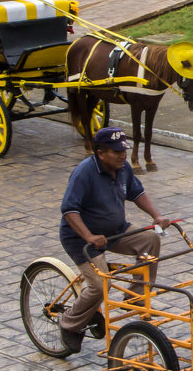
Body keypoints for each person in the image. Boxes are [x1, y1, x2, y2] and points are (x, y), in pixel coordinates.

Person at [58, 127, 170, 355]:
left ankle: (136, 295)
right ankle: (69, 324)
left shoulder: (122, 168)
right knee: (101, 286)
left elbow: (137, 193)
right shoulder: (84, 173)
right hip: (83, 240)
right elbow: (69, 210)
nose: (122, 155)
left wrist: (156, 216)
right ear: (100, 153)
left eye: (124, 150)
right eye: (116, 151)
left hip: (115, 230)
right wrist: (88, 236)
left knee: (150, 240)